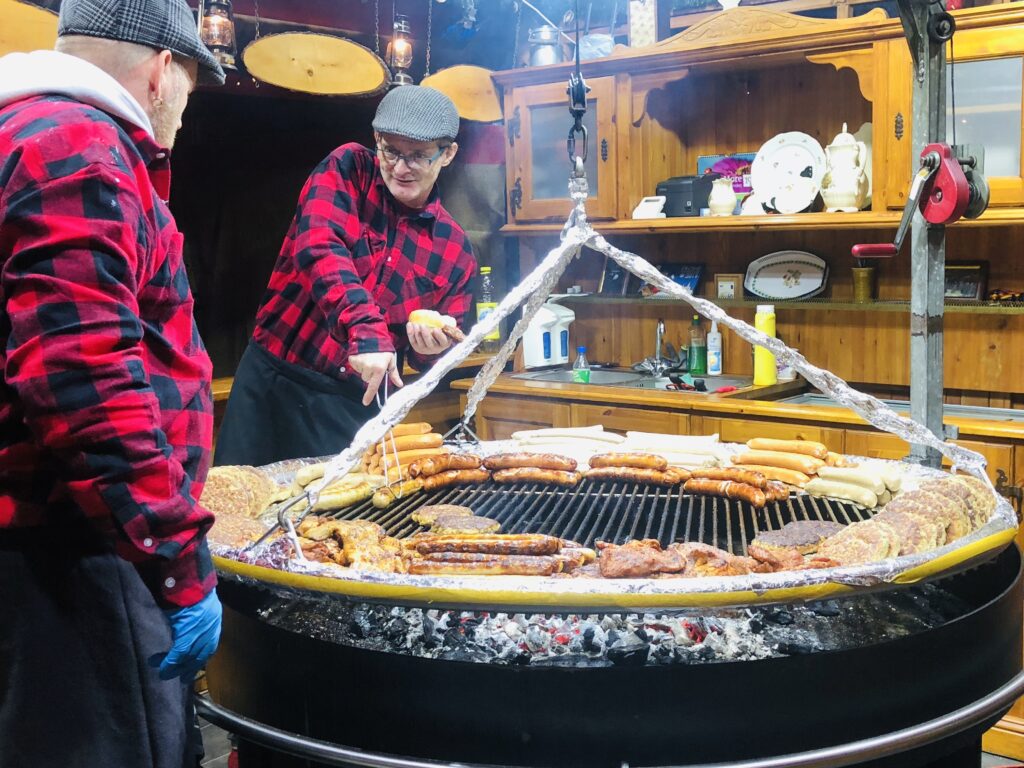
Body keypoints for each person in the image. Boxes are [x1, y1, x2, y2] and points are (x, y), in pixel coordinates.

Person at [0, 1, 225, 766]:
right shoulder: (76, 144)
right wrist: (178, 561)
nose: (185, 118)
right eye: (192, 92)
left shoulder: (25, 132)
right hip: (69, 557)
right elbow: (81, 375)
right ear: (163, 70)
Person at [215, 86, 477, 467]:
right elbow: (319, 247)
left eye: (418, 155)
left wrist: (428, 349)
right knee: (239, 510)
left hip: (355, 404)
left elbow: (435, 358)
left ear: (448, 154)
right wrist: (367, 330)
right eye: (391, 151)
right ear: (376, 141)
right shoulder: (348, 168)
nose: (401, 168)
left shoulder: (454, 250)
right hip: (274, 380)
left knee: (341, 520)